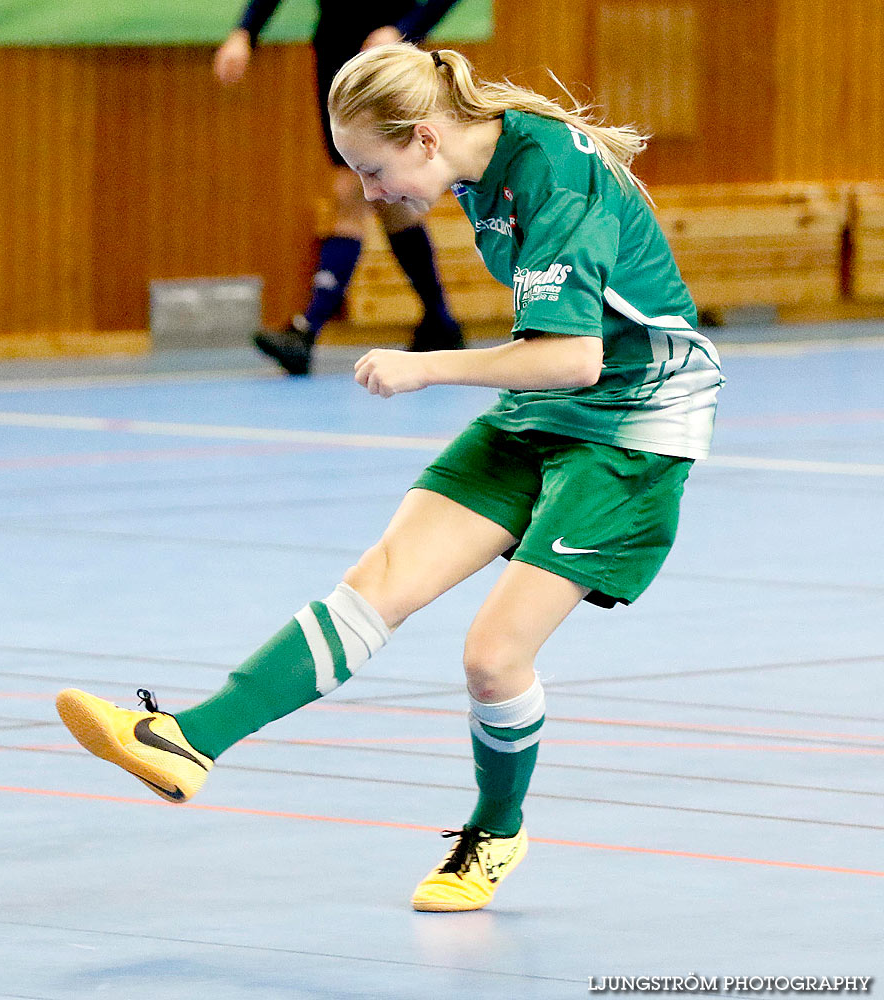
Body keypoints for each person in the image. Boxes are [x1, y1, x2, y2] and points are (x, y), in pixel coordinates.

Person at [57, 45, 722, 911]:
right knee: (380, 582)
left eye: (372, 170)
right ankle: (187, 739)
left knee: (493, 657)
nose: (370, 192)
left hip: (633, 420)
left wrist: (428, 367)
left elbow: (575, 355)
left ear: (420, 135)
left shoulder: (553, 179)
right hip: (543, 407)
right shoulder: (482, 164)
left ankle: (495, 830)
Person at [214, 0, 465, 376]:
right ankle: (441, 323)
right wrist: (244, 32)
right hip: (338, 54)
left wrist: (404, 27)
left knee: (353, 188)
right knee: (387, 201)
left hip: (387, 60)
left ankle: (306, 330)